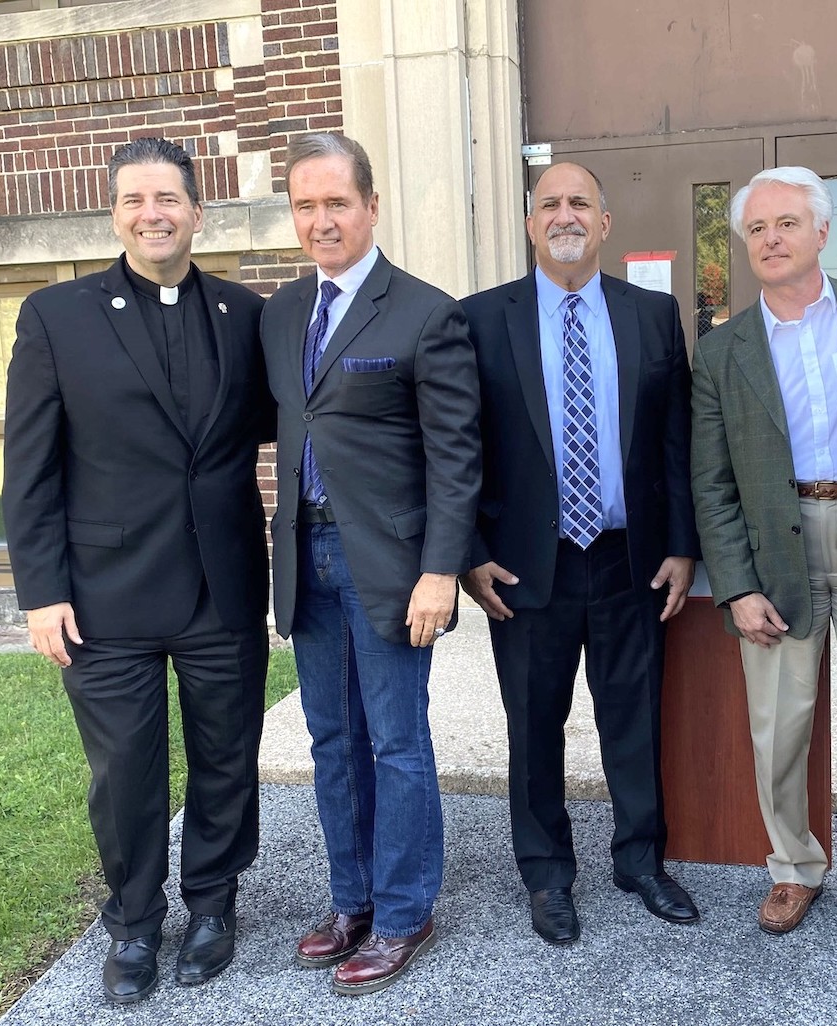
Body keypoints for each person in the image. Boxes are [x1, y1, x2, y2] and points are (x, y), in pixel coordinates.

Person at [2, 137, 272, 1004]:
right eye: (134, 200)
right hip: (102, 593)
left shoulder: (245, 313)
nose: (153, 214)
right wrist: (41, 592)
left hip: (222, 585)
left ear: (198, 212)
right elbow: (29, 466)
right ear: (115, 215)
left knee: (227, 756)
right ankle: (133, 921)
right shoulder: (57, 316)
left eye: (168, 199)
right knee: (124, 771)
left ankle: (214, 904)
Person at [460, 161, 701, 946]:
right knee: (534, 724)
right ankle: (546, 874)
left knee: (634, 717)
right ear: (532, 224)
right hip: (526, 564)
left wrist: (682, 545)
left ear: (605, 222)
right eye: (550, 204)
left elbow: (675, 439)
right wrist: (469, 553)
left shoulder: (653, 314)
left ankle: (640, 861)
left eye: (580, 203)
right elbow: (458, 447)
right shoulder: (480, 319)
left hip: (633, 558)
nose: (565, 215)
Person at [261, 132, 480, 996]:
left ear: (371, 206)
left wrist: (441, 570)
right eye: (305, 206)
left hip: (391, 565)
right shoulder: (282, 313)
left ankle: (404, 912)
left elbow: (456, 458)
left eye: (337, 203)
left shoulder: (425, 312)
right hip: (305, 554)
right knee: (331, 739)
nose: (322, 221)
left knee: (395, 740)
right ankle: (351, 901)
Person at [689, 167, 837, 948]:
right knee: (778, 727)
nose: (771, 239)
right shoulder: (721, 351)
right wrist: (736, 586)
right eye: (756, 229)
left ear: (823, 231)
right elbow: (711, 481)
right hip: (775, 551)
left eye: (786, 223)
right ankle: (793, 865)